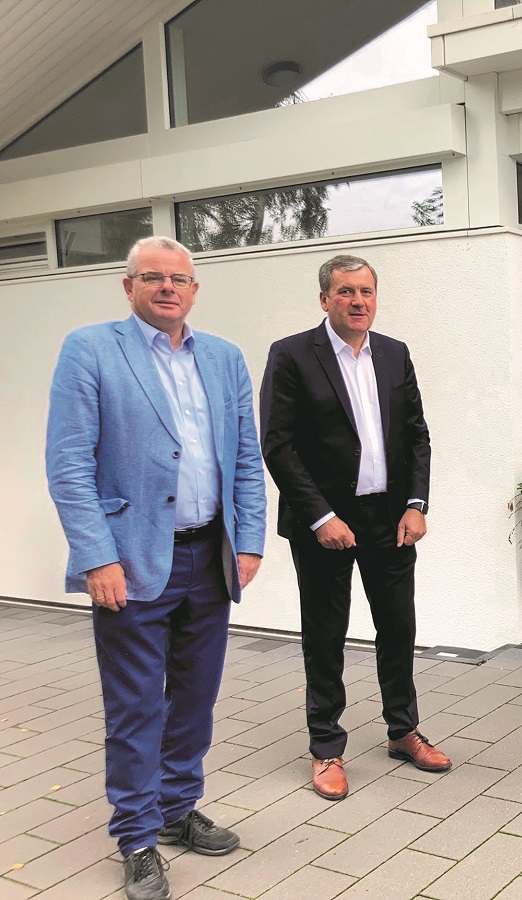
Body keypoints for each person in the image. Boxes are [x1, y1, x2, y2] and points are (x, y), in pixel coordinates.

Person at [45, 237, 267, 900]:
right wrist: (96, 555)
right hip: (132, 561)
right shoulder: (89, 349)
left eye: (179, 278)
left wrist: (248, 540)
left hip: (209, 556)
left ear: (194, 289)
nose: (167, 287)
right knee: (137, 706)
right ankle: (137, 836)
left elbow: (247, 460)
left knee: (195, 699)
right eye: (153, 277)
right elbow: (69, 465)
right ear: (129, 286)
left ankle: (176, 808)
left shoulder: (224, 358)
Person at [260, 253, 447, 802]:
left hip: (389, 519)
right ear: (325, 299)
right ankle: (326, 748)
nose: (358, 301)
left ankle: (402, 730)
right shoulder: (292, 355)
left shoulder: (394, 354)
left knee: (398, 627)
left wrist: (417, 505)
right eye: (345, 292)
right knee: (325, 635)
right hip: (324, 521)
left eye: (366, 291)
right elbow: (279, 444)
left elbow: (416, 436)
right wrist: (320, 516)